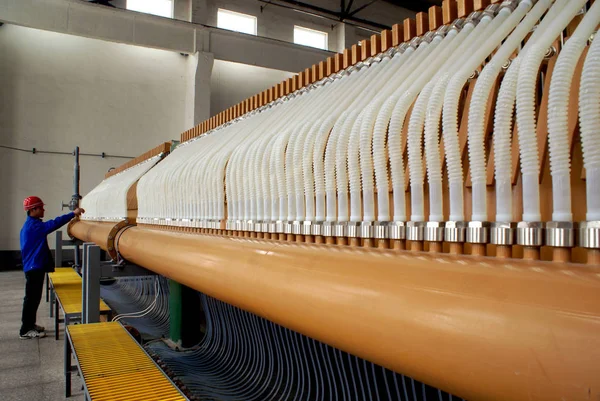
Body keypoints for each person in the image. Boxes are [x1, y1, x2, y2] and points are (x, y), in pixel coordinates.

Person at [19, 196, 85, 340]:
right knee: (31, 298)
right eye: (41, 208)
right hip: (34, 267)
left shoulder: (30, 225)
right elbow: (53, 224)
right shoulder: (34, 226)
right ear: (33, 210)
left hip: (33, 266)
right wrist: (73, 213)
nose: (43, 210)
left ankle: (30, 324)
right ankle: (26, 329)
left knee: (33, 298)